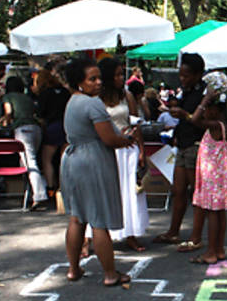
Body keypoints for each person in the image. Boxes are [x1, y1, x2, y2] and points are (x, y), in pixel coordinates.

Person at [60, 58, 135, 286]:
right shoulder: (92, 104)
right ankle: (110, 274)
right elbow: (108, 138)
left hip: (72, 160)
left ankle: (74, 269)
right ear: (79, 82)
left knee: (77, 218)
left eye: (98, 77)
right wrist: (126, 140)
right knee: (98, 220)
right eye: (92, 79)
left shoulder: (72, 101)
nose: (99, 82)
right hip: (91, 161)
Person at [86, 57, 149, 253]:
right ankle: (88, 238)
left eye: (122, 74)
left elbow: (134, 122)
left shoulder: (127, 95)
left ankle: (130, 233)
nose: (122, 78)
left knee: (129, 191)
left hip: (127, 149)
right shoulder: (94, 100)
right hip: (105, 149)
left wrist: (141, 149)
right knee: (100, 193)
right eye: (117, 75)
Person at [154, 53, 207, 248]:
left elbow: (203, 121)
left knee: (196, 192)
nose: (182, 79)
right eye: (181, 75)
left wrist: (185, 115)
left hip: (196, 144)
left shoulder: (205, 94)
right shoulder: (186, 91)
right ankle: (173, 231)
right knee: (178, 190)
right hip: (183, 143)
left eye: (186, 76)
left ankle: (196, 237)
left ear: (198, 74)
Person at [186, 89, 227, 264]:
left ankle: (211, 251)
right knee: (219, 213)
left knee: (212, 213)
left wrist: (205, 100)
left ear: (216, 111)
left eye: (208, 109)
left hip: (212, 178)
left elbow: (194, 119)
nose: (205, 111)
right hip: (218, 177)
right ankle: (219, 248)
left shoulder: (216, 127)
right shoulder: (224, 127)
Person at [0, 76, 48, 210]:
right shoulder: (27, 98)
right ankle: (32, 192)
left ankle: (39, 195)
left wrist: (3, 122)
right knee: (31, 161)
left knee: (30, 162)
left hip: (22, 130)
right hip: (36, 128)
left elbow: (8, 113)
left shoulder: (8, 97)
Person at [36, 69, 71, 195]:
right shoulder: (66, 92)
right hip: (66, 126)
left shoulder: (45, 94)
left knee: (47, 159)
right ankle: (63, 188)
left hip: (51, 128)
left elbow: (40, 114)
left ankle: (51, 188)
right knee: (64, 160)